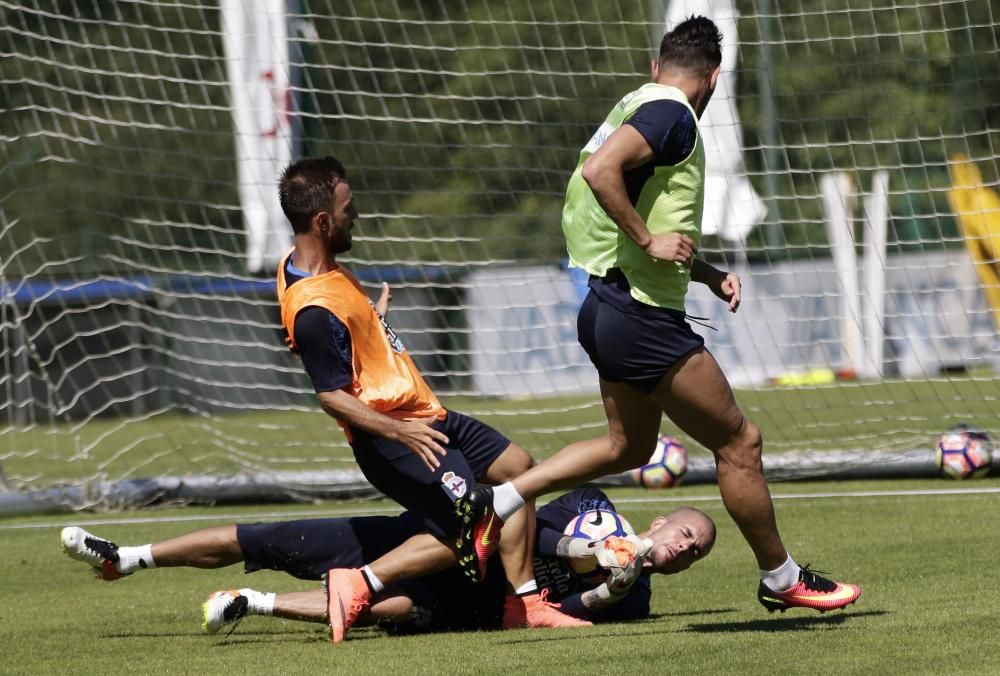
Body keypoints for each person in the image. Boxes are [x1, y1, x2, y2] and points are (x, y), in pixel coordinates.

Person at [455, 16, 861, 614]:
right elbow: (602, 175)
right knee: (740, 442)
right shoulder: (673, 114)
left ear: (656, 66)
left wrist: (706, 273)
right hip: (639, 314)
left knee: (630, 447)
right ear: (715, 78)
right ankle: (782, 577)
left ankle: (507, 498)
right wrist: (648, 241)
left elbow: (639, 208)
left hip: (606, 305)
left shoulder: (635, 103)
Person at [263, 155, 610, 641]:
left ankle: (525, 603)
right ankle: (362, 582)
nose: (355, 215)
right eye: (348, 208)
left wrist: (372, 323)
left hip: (425, 413)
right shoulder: (313, 310)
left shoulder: (309, 270)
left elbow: (348, 345)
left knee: (520, 471)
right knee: (474, 524)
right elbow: (332, 397)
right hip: (394, 434)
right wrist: (399, 431)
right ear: (321, 221)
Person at [59, 487, 715, 635]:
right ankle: (129, 556)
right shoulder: (596, 508)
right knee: (269, 538)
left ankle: (252, 603)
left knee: (381, 609)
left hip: (469, 602)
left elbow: (555, 615)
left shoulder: (638, 603)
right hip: (429, 541)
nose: (685, 547)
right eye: (687, 531)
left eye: (695, 551)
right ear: (662, 520)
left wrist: (604, 591)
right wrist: (594, 552)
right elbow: (523, 521)